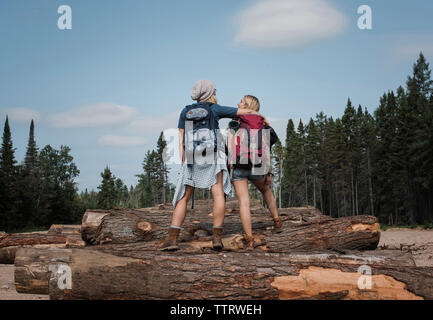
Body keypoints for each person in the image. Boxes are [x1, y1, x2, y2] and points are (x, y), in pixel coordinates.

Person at [158, 80, 260, 251]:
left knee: (184, 196)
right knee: (218, 193)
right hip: (213, 155)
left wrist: (184, 158)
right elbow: (247, 111)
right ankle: (216, 239)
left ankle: (172, 239)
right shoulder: (214, 109)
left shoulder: (185, 111)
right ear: (210, 93)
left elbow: (181, 136)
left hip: (192, 156)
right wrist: (260, 116)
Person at [228, 95, 283, 249]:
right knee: (265, 189)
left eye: (241, 101)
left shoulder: (234, 123)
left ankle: (250, 239)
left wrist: (230, 167)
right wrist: (268, 171)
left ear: (247, 106)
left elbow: (231, 148)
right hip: (258, 164)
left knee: (244, 203)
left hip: (239, 165)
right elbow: (267, 147)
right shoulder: (262, 124)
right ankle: (277, 220)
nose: (238, 103)